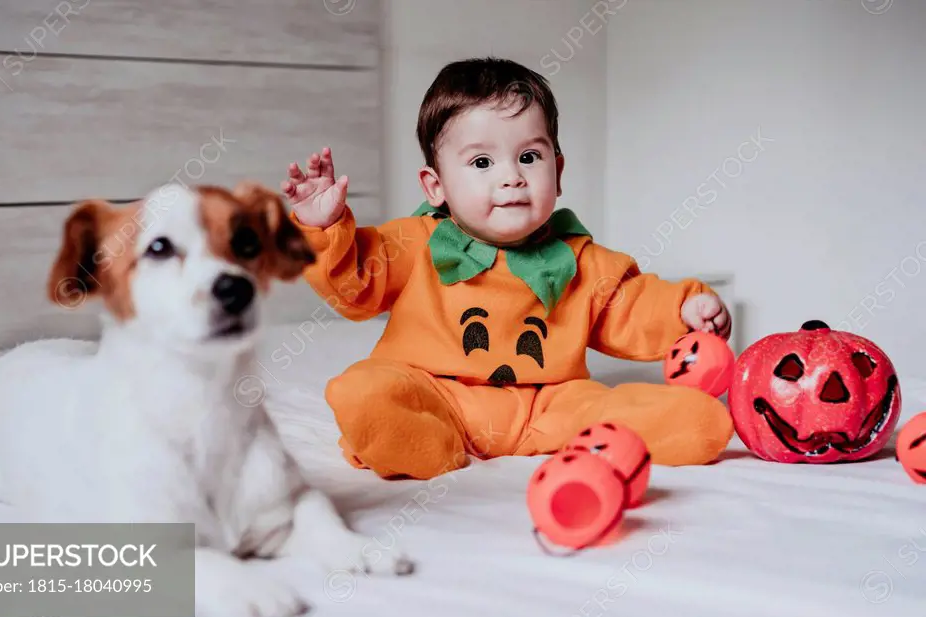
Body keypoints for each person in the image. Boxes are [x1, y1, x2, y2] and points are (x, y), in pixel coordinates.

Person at [281, 57, 734, 480]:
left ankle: (677, 427)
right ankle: (421, 444)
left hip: (548, 404)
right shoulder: (415, 241)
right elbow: (356, 282)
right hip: (439, 395)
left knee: (632, 412)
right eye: (482, 162)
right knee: (366, 389)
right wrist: (324, 228)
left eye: (530, 157)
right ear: (435, 186)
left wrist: (686, 311)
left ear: (557, 171)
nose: (511, 177)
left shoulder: (578, 259)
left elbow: (631, 307)